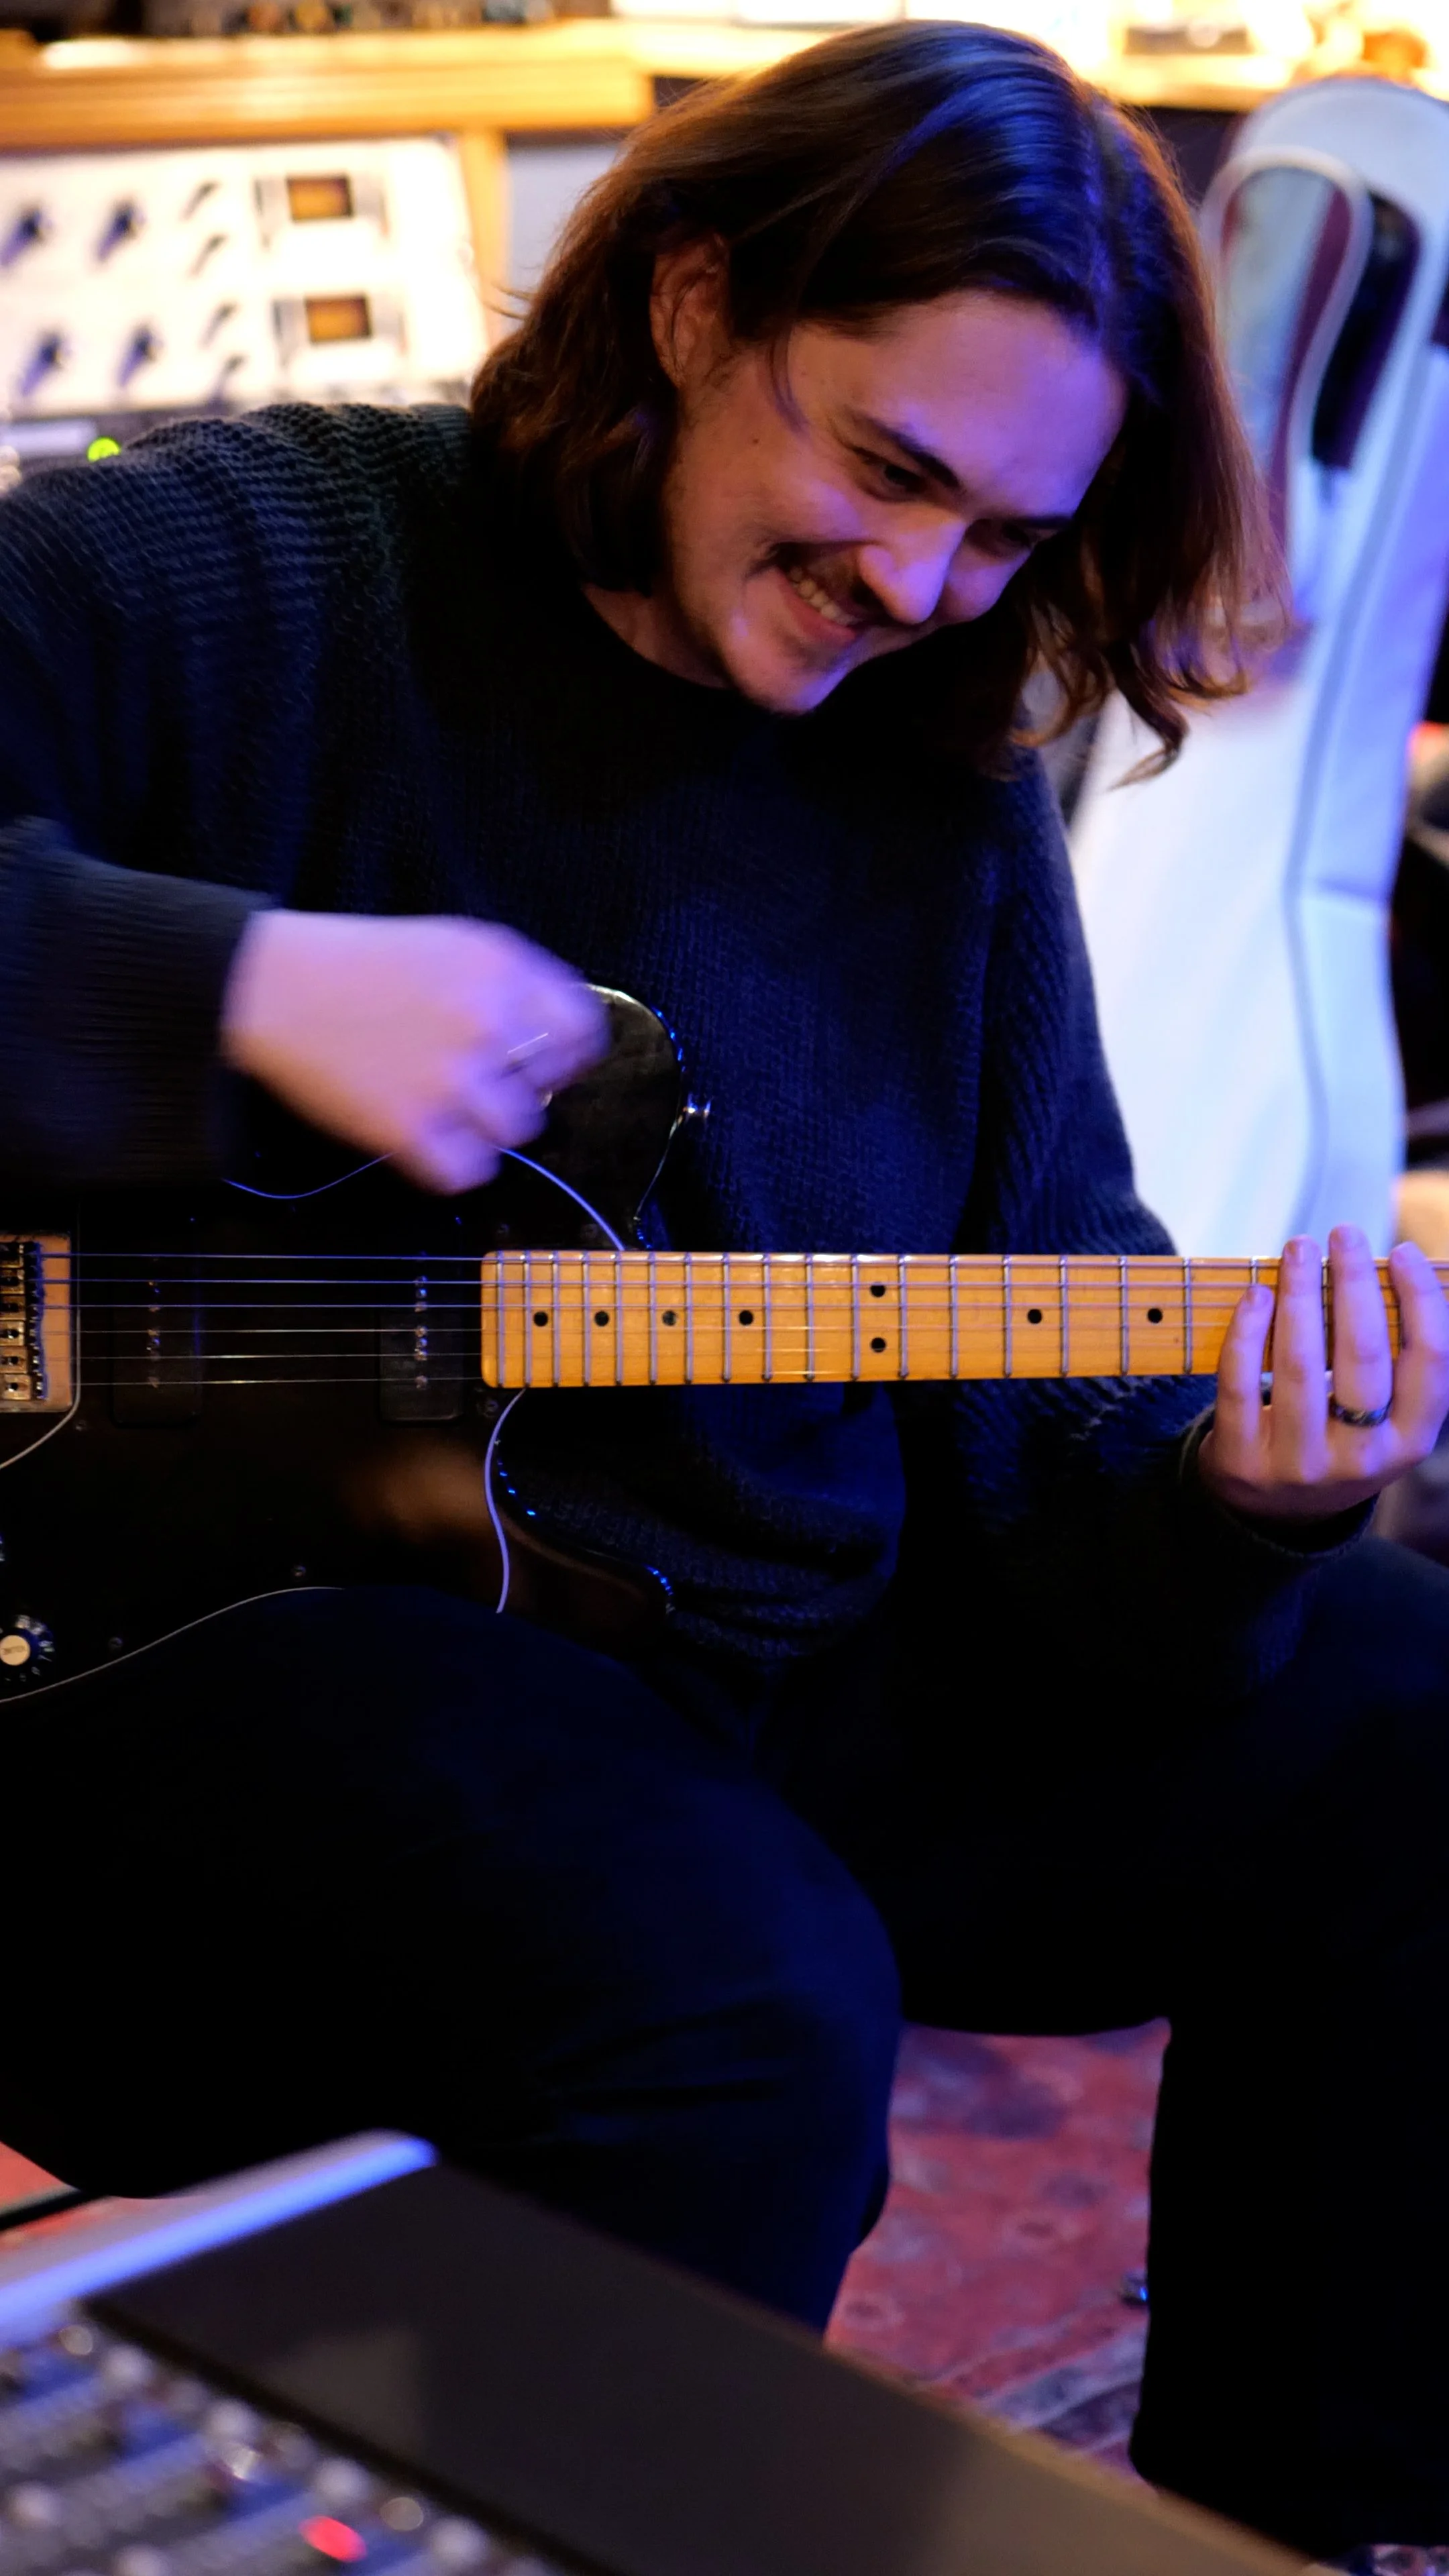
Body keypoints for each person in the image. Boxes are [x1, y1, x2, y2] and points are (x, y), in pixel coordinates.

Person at [2, 25, 1448, 2558]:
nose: (919, 587)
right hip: (168, 1649)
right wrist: (224, 982)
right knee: (736, 1995)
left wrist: (1239, 1504)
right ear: (689, 307)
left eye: (1005, 537)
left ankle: (1282, 2538)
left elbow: (1040, 1419)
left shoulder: (943, 764)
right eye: (884, 469)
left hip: (761, 1654)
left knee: (1419, 1711)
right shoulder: (254, 570)